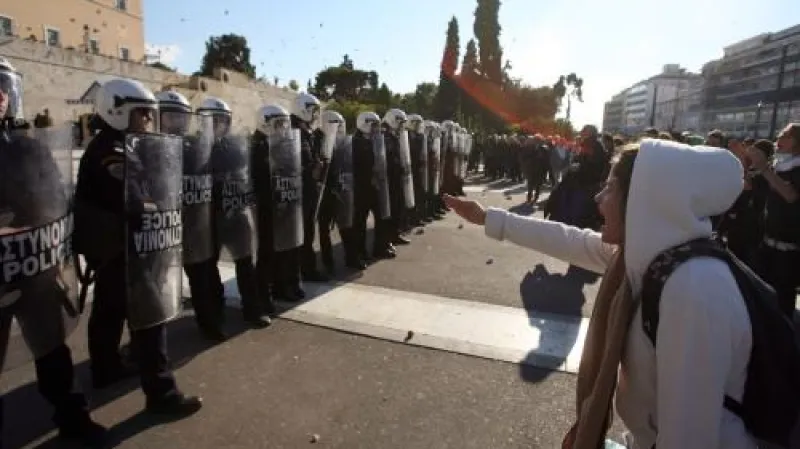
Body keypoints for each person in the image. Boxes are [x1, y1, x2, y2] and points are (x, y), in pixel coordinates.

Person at [445, 139, 755, 449]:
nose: (598, 198)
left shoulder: (694, 290)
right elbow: (572, 240)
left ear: (642, 200)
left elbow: (689, 440)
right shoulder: (648, 257)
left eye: (609, 188)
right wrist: (487, 218)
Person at [74, 77, 202, 416]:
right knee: (150, 317)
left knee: (109, 309)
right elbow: (136, 196)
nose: (147, 120)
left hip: (116, 246)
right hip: (125, 246)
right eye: (142, 113)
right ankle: (162, 394)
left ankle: (105, 368)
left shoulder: (116, 144)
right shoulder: (111, 152)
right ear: (117, 111)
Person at [0, 57, 107, 448]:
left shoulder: (27, 148)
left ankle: (73, 417)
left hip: (34, 265)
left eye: (2, 88)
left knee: (52, 346)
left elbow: (55, 196)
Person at [203, 97, 272, 328]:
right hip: (208, 215)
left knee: (245, 263)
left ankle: (253, 310)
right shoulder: (193, 145)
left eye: (224, 119)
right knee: (208, 268)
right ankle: (214, 315)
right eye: (216, 119)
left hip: (235, 209)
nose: (220, 124)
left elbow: (246, 172)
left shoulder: (236, 144)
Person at [252, 104, 305, 301]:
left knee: (285, 250)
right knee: (267, 255)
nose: (283, 128)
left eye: (285, 123)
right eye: (280, 123)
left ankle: (284, 286)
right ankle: (265, 296)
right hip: (267, 208)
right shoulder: (257, 146)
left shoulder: (279, 144)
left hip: (284, 205)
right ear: (266, 122)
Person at [748, 123, 800, 317]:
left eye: (786, 135)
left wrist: (764, 167)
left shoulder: (795, 168)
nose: (780, 138)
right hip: (767, 243)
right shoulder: (780, 164)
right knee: (762, 293)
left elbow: (790, 194)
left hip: (788, 250)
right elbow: (751, 185)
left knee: (783, 300)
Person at [290, 92, 328, 282]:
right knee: (298, 235)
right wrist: (309, 170)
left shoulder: (307, 133)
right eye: (313, 111)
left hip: (309, 191)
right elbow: (289, 164)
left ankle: (306, 269)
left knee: (307, 232)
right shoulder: (292, 131)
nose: (315, 115)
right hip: (297, 193)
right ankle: (299, 272)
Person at [352, 111, 394, 260]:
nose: (377, 129)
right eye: (374, 125)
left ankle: (380, 248)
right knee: (359, 223)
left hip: (377, 186)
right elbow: (355, 167)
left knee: (382, 218)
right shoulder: (354, 142)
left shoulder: (376, 140)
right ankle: (359, 253)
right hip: (362, 188)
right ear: (365, 124)